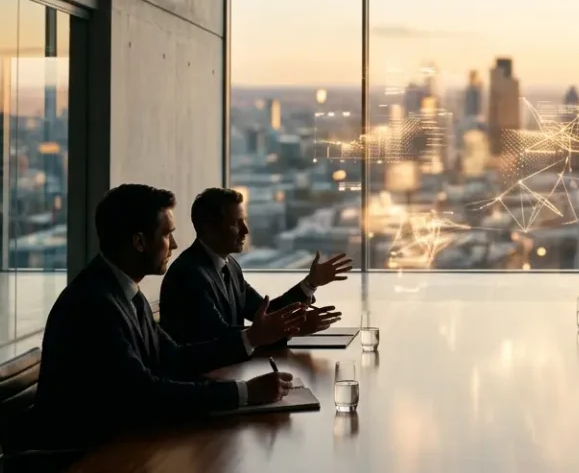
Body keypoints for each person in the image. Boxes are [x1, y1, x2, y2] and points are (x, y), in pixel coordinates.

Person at [36, 184, 305, 449]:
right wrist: (244, 393)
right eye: (167, 234)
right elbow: (144, 394)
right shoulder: (93, 305)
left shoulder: (121, 291)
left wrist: (251, 339)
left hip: (127, 439)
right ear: (140, 241)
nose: (174, 244)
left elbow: (174, 357)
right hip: (91, 455)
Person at [160, 187, 351, 345]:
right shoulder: (189, 274)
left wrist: (310, 283)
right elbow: (220, 336)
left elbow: (264, 312)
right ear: (209, 228)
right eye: (236, 223)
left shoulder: (230, 266)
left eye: (245, 221)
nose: (246, 230)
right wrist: (292, 328)